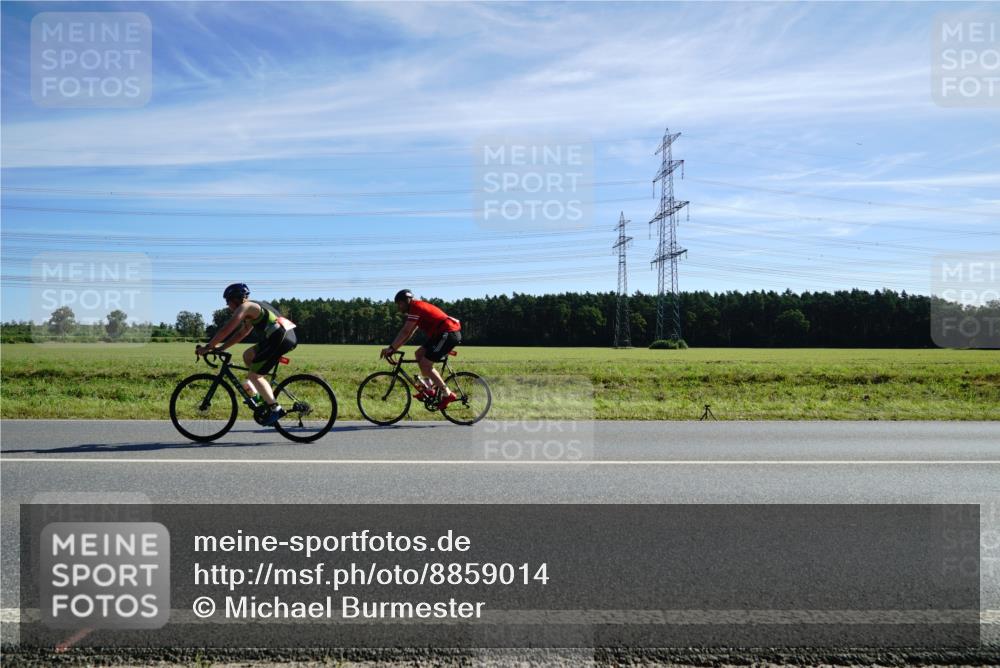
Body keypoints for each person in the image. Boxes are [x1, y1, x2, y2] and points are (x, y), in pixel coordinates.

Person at [196, 283, 297, 426]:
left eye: (228, 301)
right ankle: (262, 395)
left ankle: (276, 409)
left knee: (254, 375)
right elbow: (242, 333)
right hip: (276, 338)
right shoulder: (251, 310)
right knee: (248, 356)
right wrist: (222, 347)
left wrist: (208, 347)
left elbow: (227, 329)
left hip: (280, 339)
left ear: (235, 299)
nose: (227, 305)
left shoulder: (246, 307)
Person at [380, 289, 461, 409]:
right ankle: (430, 389)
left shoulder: (416, 307)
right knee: (419, 354)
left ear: (407, 301)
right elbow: (409, 333)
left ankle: (447, 394)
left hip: (448, 333)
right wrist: (394, 348)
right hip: (440, 334)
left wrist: (391, 348)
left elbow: (405, 331)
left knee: (426, 364)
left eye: (399, 304)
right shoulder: (416, 308)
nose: (398, 307)